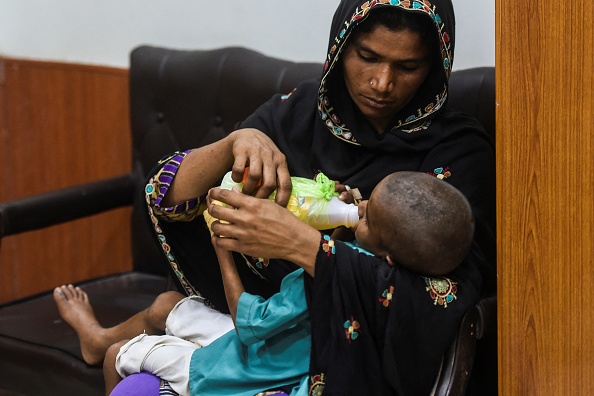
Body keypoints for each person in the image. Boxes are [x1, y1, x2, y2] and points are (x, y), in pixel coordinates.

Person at [141, 0, 495, 394]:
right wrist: (236, 142)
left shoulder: (457, 150)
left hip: (344, 365)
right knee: (135, 377)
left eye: (408, 67)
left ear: (435, 67)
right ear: (341, 47)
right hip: (251, 335)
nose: (382, 83)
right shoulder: (299, 112)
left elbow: (446, 294)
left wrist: (303, 245)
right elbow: (166, 197)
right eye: (367, 57)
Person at [54, 171, 475, 395]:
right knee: (167, 303)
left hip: (237, 371)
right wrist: (346, 228)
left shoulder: (325, 274)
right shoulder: (386, 287)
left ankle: (106, 349)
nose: (358, 206)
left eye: (365, 215)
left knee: (118, 356)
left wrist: (224, 251)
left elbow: (250, 324)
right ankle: (95, 336)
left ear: (384, 257)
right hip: (271, 351)